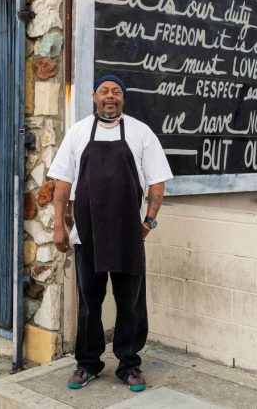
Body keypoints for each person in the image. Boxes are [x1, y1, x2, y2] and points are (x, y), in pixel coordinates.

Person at [48, 74, 171, 392]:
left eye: (116, 91)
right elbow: (62, 183)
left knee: (130, 302)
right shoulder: (77, 133)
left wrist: (148, 223)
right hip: (86, 234)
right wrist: (59, 224)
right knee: (90, 302)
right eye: (104, 91)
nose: (110, 96)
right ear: (94, 97)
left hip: (129, 236)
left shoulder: (141, 133)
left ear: (123, 99)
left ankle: (130, 365)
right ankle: (87, 364)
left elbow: (157, 183)